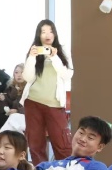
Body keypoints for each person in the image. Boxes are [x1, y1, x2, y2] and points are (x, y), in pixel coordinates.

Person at [21, 20, 73, 162]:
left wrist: (54, 57)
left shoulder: (62, 51)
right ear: (39, 35)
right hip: (33, 102)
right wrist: (31, 57)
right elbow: (27, 77)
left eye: (50, 31)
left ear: (55, 34)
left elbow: (67, 75)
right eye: (43, 32)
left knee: (62, 144)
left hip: (54, 104)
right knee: (35, 144)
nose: (47, 35)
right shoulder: (34, 52)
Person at [0, 63, 27, 134]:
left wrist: (17, 111)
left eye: (22, 72)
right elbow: (2, 107)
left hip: (27, 118)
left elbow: (32, 108)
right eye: (16, 72)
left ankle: (0, 140)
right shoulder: (10, 88)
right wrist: (1, 99)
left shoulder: (31, 88)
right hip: (12, 118)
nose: (19, 75)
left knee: (14, 119)